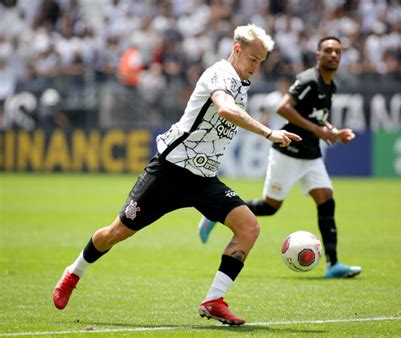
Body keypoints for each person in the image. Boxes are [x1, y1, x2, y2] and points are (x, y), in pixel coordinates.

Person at [52, 24, 301, 326]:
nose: (256, 67)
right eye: (253, 59)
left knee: (249, 227)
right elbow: (224, 109)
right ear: (236, 50)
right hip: (169, 172)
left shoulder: (241, 84)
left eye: (261, 61)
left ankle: (214, 300)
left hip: (202, 178)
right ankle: (73, 273)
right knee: (116, 233)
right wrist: (267, 131)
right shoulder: (220, 74)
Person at [198, 36, 362, 279]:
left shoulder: (330, 85)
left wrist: (332, 131)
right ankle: (215, 213)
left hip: (311, 155)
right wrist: (317, 131)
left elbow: (317, 116)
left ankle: (333, 264)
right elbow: (284, 107)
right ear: (318, 55)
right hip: (289, 151)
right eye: (328, 50)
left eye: (338, 51)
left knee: (327, 200)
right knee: (270, 207)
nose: (334, 55)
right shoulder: (309, 80)